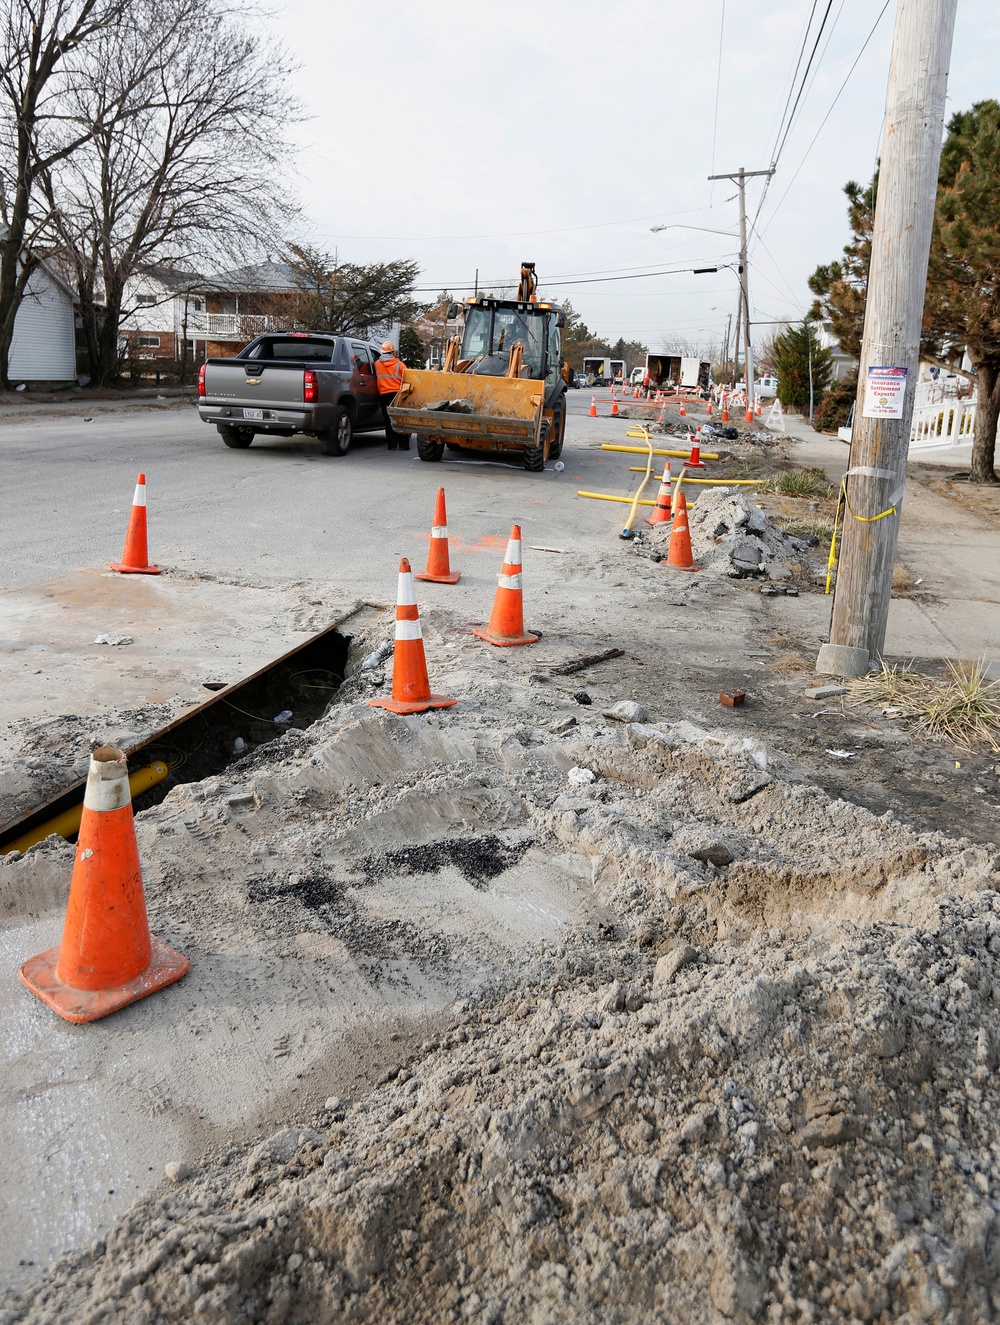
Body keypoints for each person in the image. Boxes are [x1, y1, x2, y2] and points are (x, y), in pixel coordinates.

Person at [374, 340, 409, 450]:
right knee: (400, 420)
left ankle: (392, 445)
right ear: (393, 352)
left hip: (384, 395)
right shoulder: (400, 365)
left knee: (388, 421)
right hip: (398, 395)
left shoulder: (376, 364)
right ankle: (403, 445)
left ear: (382, 352)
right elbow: (408, 379)